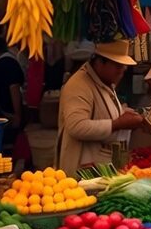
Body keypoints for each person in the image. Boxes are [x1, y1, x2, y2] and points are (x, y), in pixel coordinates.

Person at [57, 40, 144, 170]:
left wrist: (124, 114)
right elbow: (76, 126)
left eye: (124, 67)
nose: (123, 70)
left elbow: (101, 112)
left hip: (102, 164)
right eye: (118, 66)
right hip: (83, 170)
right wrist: (118, 123)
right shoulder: (79, 85)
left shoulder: (105, 81)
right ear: (99, 63)